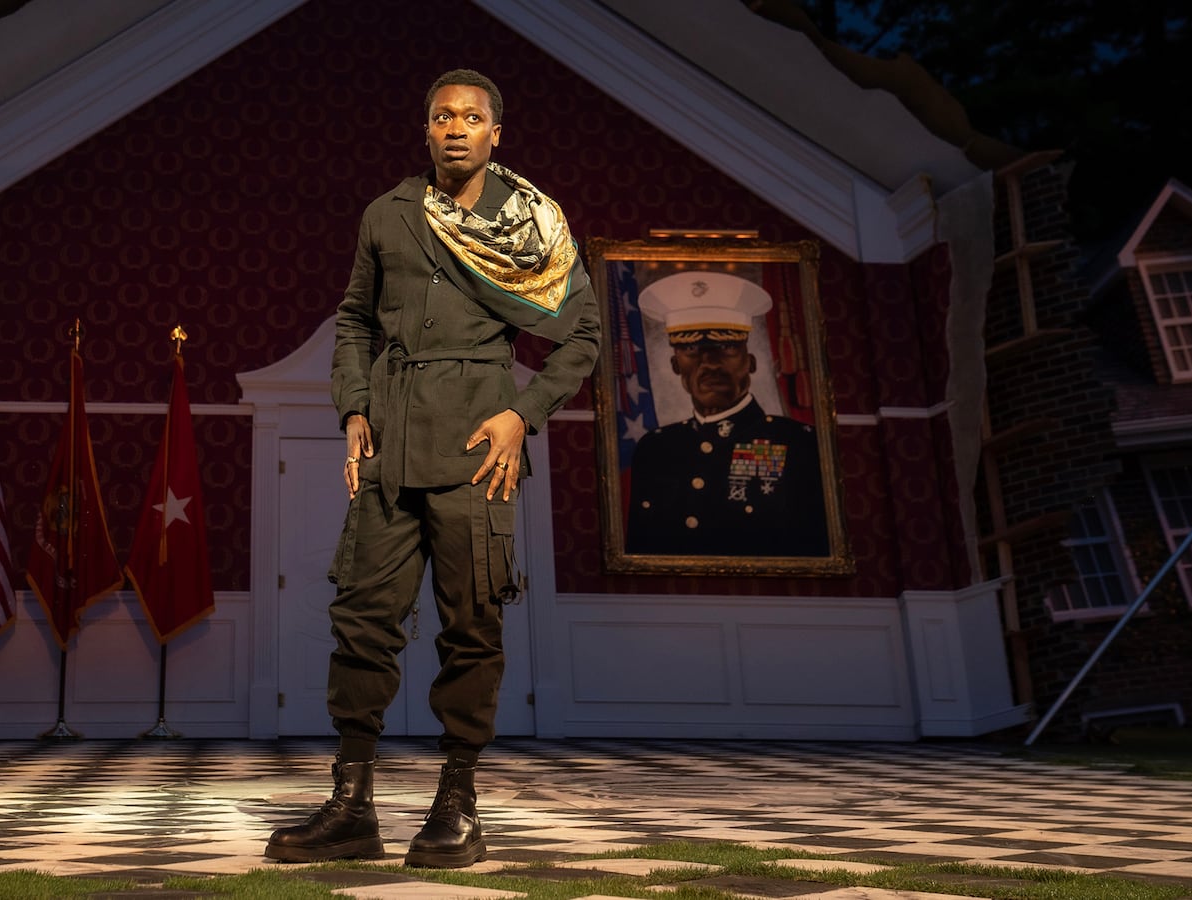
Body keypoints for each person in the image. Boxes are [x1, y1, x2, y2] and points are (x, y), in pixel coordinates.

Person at [264, 69, 600, 868]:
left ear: (495, 135)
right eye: (441, 116)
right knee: (361, 621)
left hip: (478, 447)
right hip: (389, 442)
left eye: (471, 117)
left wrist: (524, 413)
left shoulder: (531, 227)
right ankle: (352, 807)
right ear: (425, 130)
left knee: (471, 625)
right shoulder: (389, 213)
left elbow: (582, 335)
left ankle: (457, 806)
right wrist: (353, 408)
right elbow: (352, 319)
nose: (455, 127)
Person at [625, 271, 827, 557]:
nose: (709, 363)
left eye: (728, 347)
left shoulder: (797, 443)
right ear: (675, 365)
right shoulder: (655, 449)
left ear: (752, 363)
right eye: (691, 349)